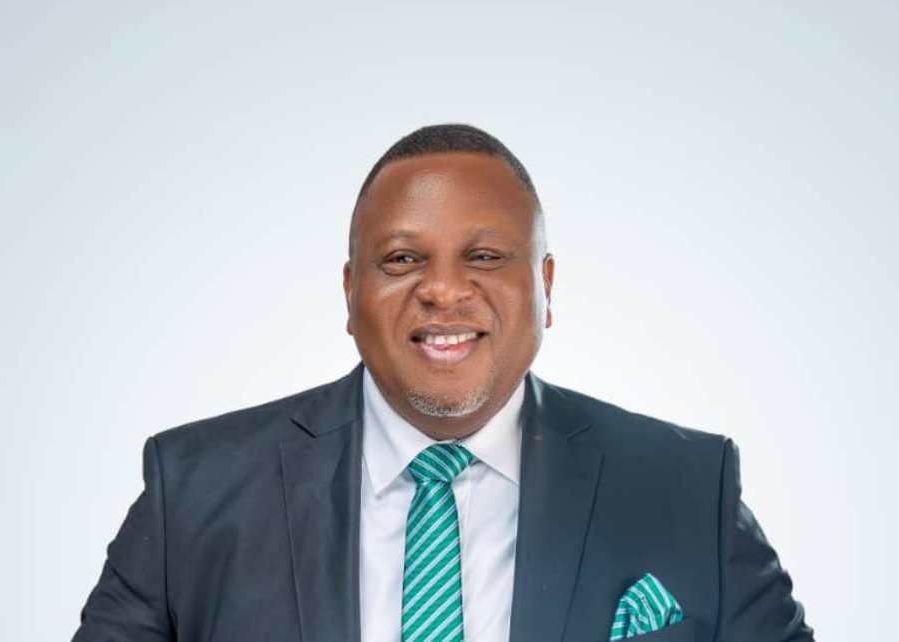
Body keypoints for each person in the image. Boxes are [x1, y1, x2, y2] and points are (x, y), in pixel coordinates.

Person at [72, 124, 814, 642]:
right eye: (402, 260)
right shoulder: (195, 489)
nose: (444, 290)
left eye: (485, 257)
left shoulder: (687, 487)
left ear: (546, 287)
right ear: (350, 292)